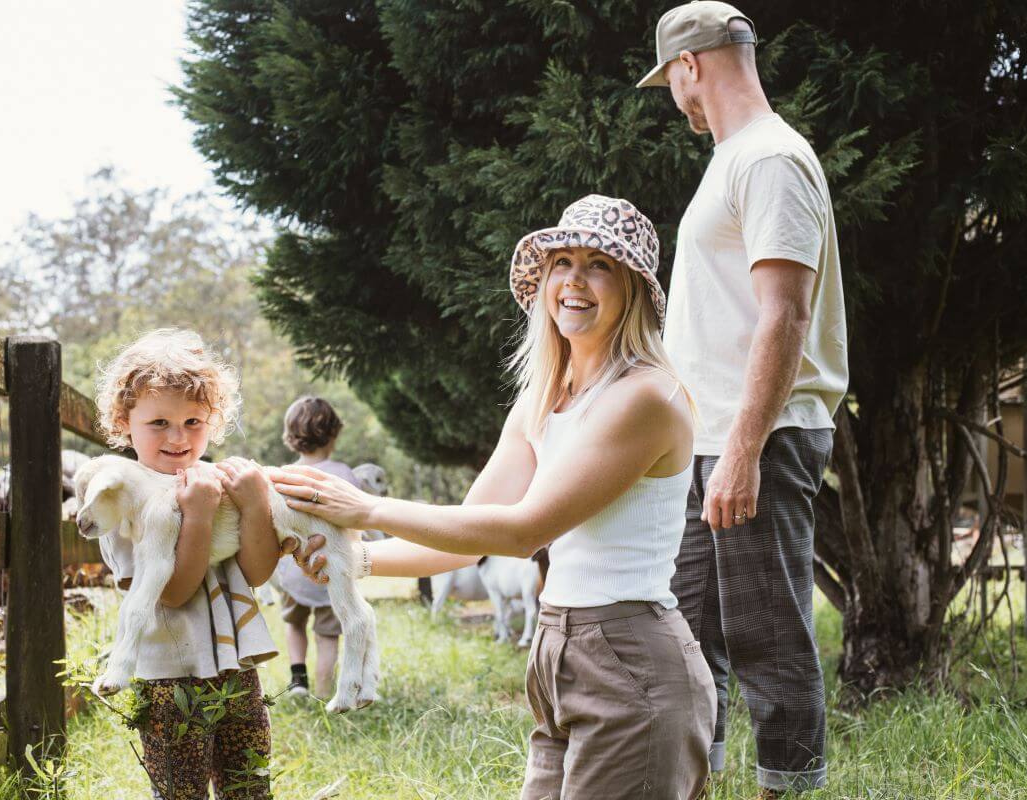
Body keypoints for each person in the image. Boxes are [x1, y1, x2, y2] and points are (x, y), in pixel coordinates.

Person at [272, 195, 717, 800]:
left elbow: (520, 531)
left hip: (631, 658)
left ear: (634, 288)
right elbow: (466, 534)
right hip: (556, 649)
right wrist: (359, 560)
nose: (574, 280)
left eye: (599, 265)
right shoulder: (544, 400)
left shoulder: (645, 397)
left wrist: (367, 511)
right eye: (562, 262)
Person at [637, 3, 849, 795]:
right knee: (688, 634)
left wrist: (743, 451)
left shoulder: (769, 158)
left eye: (670, 83)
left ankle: (787, 788)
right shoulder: (731, 160)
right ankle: (696, 782)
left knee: (768, 636)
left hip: (756, 439)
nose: (674, 99)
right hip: (707, 442)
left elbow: (785, 313)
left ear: (689, 66)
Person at [94, 329, 280, 800]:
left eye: (194, 421)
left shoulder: (213, 483)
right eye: (159, 422)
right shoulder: (122, 497)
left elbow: (255, 574)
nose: (178, 438)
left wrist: (255, 505)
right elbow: (173, 593)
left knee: (250, 786)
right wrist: (197, 515)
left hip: (236, 670)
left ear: (213, 421)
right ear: (124, 420)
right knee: (181, 794)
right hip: (170, 680)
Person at [273, 395, 360, 698]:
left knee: (294, 624)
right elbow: (355, 522)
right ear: (334, 433)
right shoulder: (343, 474)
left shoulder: (282, 476)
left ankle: (298, 680)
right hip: (329, 572)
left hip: (292, 570)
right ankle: (324, 692)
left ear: (291, 437)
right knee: (327, 636)